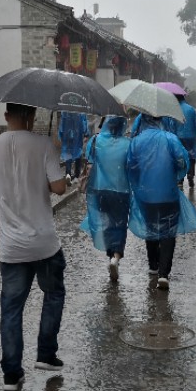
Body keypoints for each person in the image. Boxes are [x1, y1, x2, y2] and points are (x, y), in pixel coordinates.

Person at [0, 102, 68, 391]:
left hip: (11, 246)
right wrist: (51, 172)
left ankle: (12, 375)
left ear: (6, 116)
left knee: (11, 309)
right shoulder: (43, 145)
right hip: (44, 243)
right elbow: (60, 188)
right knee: (54, 293)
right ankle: (46, 354)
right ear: (32, 116)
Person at [126, 115, 196, 290]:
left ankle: (153, 265)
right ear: (162, 120)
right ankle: (164, 274)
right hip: (168, 193)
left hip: (146, 195)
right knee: (169, 230)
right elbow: (182, 162)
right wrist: (174, 174)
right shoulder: (171, 139)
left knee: (151, 227)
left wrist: (140, 183)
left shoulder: (136, 142)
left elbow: (130, 166)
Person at [78, 115, 131, 282]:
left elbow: (88, 159)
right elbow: (131, 166)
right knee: (120, 225)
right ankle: (115, 257)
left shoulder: (96, 140)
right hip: (121, 190)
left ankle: (111, 256)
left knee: (107, 223)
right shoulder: (128, 144)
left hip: (100, 189)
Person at [166, 94, 196, 188]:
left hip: (179, 138)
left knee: (180, 157)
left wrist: (172, 138)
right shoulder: (191, 109)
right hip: (191, 137)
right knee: (192, 156)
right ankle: (191, 175)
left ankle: (180, 179)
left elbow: (172, 126)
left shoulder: (175, 110)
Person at [58, 111, 89, 183]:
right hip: (77, 134)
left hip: (67, 135)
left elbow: (62, 123)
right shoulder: (81, 110)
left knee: (68, 153)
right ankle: (77, 175)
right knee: (78, 153)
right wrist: (86, 133)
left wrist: (61, 134)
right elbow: (84, 122)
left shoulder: (65, 111)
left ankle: (68, 173)